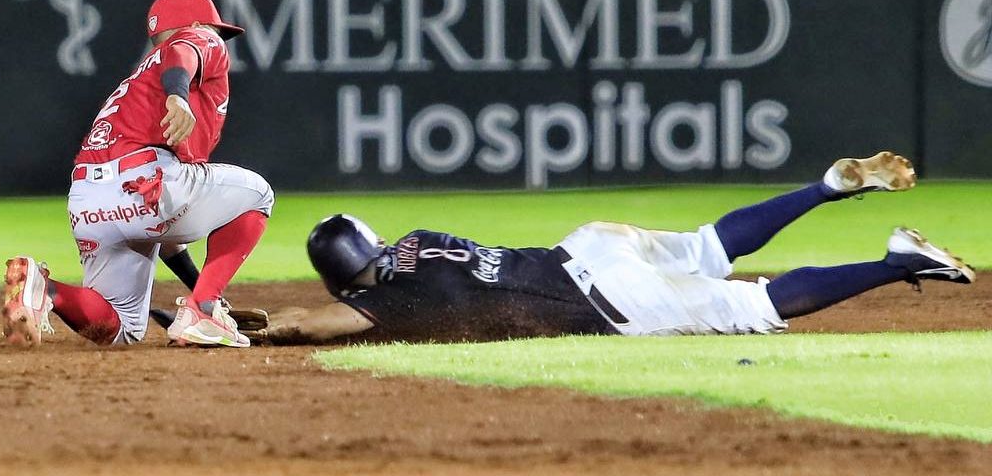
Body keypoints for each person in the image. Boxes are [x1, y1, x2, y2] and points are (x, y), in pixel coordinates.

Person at [244, 152, 975, 345]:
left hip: (609, 299)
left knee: (752, 306)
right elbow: (351, 296)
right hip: (591, 247)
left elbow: (319, 322)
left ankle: (894, 262)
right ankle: (824, 188)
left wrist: (262, 332)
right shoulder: (414, 248)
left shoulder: (394, 303)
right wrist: (244, 313)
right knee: (710, 243)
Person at [2, 0, 274, 348]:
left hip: (87, 199)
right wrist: (178, 94)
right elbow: (184, 49)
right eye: (215, 31)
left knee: (122, 330)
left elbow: (166, 235)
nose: (218, 39)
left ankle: (45, 288)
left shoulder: (136, 85)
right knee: (258, 194)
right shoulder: (194, 41)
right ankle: (203, 312)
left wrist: (202, 288)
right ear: (195, 24)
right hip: (145, 179)